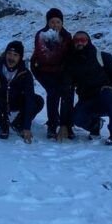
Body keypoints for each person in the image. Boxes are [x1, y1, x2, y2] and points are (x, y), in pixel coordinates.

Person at [62, 31, 112, 145]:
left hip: (106, 98)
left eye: (83, 40)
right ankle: (95, 125)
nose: (80, 42)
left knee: (110, 96)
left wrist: (111, 88)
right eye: (76, 40)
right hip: (86, 100)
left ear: (88, 42)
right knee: (76, 118)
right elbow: (67, 85)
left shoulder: (103, 57)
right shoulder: (71, 63)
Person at [0, 41, 44, 142]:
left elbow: (29, 99)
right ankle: (4, 126)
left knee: (37, 100)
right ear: (5, 54)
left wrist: (27, 127)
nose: (11, 58)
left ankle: (19, 124)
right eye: (9, 54)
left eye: (15, 55)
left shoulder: (25, 74)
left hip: (15, 100)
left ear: (20, 57)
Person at [30, 8, 75, 140]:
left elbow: (69, 56)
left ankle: (67, 125)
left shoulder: (67, 36)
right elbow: (44, 57)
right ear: (47, 23)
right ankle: (52, 125)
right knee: (53, 92)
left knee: (67, 92)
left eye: (58, 22)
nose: (55, 25)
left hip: (61, 71)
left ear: (62, 23)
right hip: (42, 70)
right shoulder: (41, 35)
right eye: (52, 22)